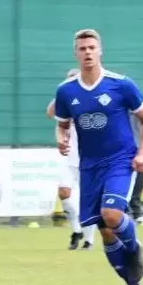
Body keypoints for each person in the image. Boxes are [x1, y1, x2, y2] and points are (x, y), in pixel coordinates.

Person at [54, 29, 143, 285]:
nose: (87, 52)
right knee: (106, 231)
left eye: (91, 47)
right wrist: (61, 139)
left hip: (120, 161)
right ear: (75, 53)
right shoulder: (66, 91)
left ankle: (134, 248)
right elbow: (62, 124)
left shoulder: (121, 84)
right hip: (89, 166)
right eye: (82, 48)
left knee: (111, 214)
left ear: (100, 51)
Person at [46, 68, 97, 250]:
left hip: (88, 159)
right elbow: (50, 113)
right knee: (64, 193)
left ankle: (90, 240)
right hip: (68, 158)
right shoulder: (65, 102)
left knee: (88, 200)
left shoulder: (89, 100)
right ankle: (76, 231)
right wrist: (61, 93)